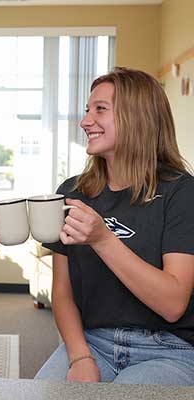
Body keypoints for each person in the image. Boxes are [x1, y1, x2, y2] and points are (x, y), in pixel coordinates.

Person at [35, 67, 194, 385]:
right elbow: (62, 291)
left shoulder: (182, 193)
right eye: (86, 110)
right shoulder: (72, 192)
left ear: (137, 117)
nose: (84, 122)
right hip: (92, 343)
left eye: (100, 110)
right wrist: (80, 357)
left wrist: (103, 239)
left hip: (169, 349)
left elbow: (173, 304)